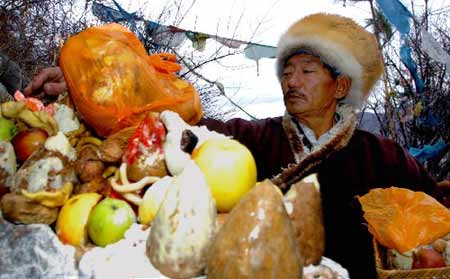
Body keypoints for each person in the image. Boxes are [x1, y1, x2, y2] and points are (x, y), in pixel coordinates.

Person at [24, 13, 449, 278]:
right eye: (287, 72)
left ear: (340, 86)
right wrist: (86, 90)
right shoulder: (257, 139)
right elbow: (180, 126)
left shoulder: (381, 155)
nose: (291, 82)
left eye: (306, 71)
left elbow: (435, 207)